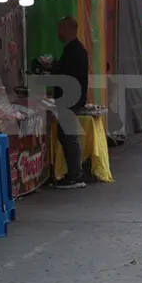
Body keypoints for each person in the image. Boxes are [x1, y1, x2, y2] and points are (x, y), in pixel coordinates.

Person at [52, 17, 90, 188]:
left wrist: (53, 69)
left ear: (67, 30)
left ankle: (75, 175)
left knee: (69, 137)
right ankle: (75, 173)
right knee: (67, 135)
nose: (58, 33)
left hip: (70, 99)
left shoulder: (73, 51)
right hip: (72, 98)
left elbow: (67, 76)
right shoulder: (76, 49)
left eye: (61, 29)